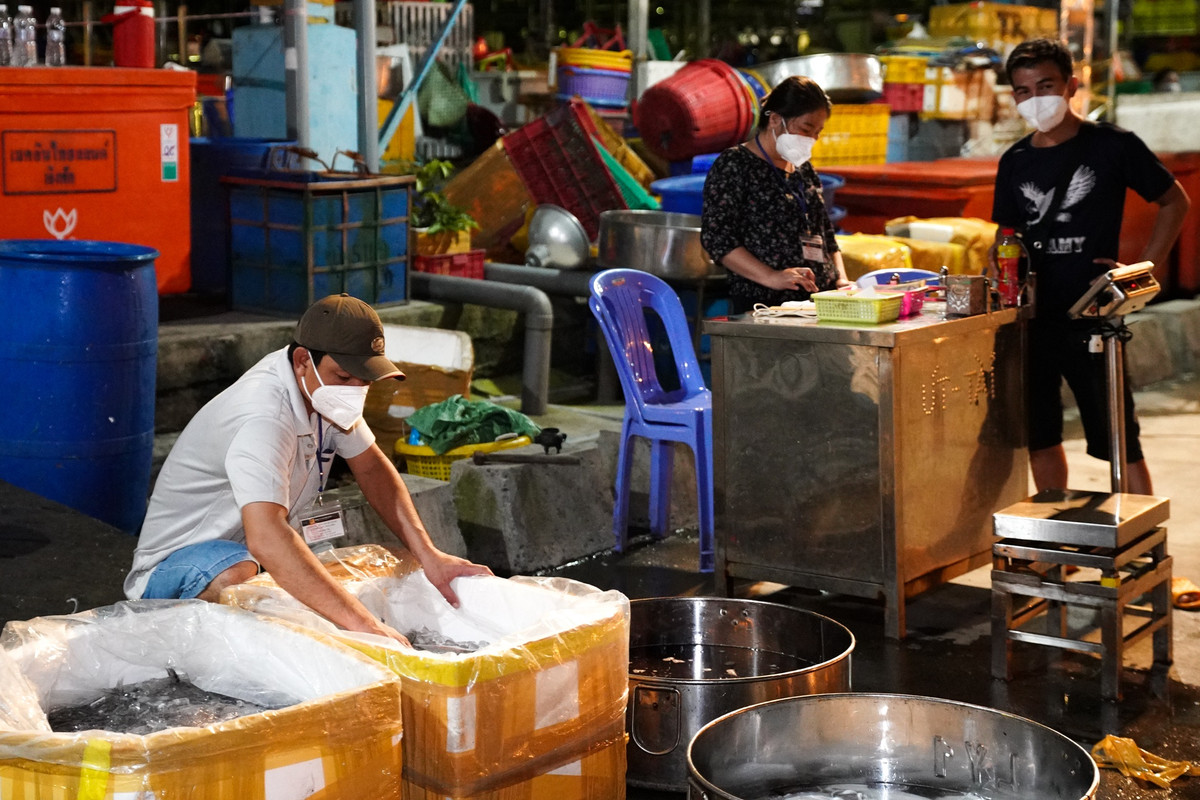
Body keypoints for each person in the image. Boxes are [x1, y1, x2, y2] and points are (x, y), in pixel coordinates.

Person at [125, 293, 492, 644]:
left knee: (340, 574)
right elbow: (267, 538)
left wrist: (430, 555)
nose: (355, 390)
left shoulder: (322, 392)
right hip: (175, 569)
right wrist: (362, 624)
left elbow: (373, 469)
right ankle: (188, 654)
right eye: (344, 377)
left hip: (249, 553)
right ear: (303, 360)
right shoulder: (264, 416)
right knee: (239, 573)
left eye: (365, 380)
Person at [992, 38, 1190, 495]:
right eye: (1023, 90)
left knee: (1119, 440)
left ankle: (1142, 535)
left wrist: (1143, 268)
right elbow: (1007, 233)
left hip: (1095, 317)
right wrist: (1003, 266)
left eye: (1046, 86)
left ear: (1071, 85)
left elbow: (1174, 201)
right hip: (1033, 321)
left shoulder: (1112, 145)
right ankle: (1053, 531)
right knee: (1040, 437)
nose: (1035, 98)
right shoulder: (1015, 160)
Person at [701, 75, 851, 314]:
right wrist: (772, 276)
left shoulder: (803, 169)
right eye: (806, 129)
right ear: (775, 119)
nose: (812, 139)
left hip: (821, 303)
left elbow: (826, 234)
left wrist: (841, 280)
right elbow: (718, 239)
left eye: (818, 132)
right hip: (764, 306)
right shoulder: (735, 165)